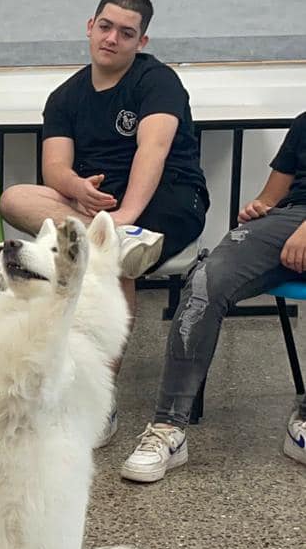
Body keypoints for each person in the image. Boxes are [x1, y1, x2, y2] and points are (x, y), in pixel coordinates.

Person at [0, 0, 208, 443]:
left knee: (111, 259)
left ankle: (100, 403)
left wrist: (123, 219)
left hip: (169, 197)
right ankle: (108, 239)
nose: (112, 39)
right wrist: (75, 188)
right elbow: (55, 167)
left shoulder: (158, 81)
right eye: (106, 27)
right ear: (91, 27)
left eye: (126, 33)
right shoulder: (65, 95)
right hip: (98, 206)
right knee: (14, 198)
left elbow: (153, 150)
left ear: (141, 41)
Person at [121, 113, 306, 482]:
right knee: (206, 280)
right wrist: (258, 208)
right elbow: (270, 197)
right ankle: (168, 428)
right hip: (287, 220)